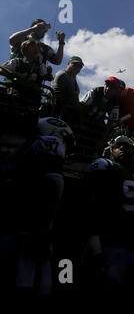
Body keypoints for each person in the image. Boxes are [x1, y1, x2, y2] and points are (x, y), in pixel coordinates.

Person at [0, 117, 74, 294]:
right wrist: (41, 229)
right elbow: (51, 184)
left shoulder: (22, 152)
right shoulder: (50, 145)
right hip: (31, 232)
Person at [81, 130, 134, 293]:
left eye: (125, 146)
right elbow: (91, 207)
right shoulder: (105, 165)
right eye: (117, 146)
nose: (121, 148)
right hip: (111, 245)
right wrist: (96, 248)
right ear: (110, 149)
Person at [1, 39, 53, 109]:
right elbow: (1, 70)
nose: (36, 49)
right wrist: (14, 74)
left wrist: (49, 73)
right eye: (33, 46)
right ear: (25, 50)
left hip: (33, 103)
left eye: (37, 48)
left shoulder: (41, 66)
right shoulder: (17, 62)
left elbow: (50, 78)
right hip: (16, 99)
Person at [80, 76, 122, 149]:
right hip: (83, 118)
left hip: (96, 123)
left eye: (112, 87)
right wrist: (81, 123)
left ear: (116, 91)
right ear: (104, 84)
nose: (108, 88)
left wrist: (102, 140)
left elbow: (111, 121)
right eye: (107, 85)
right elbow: (80, 107)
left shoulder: (115, 102)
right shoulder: (94, 92)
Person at [51, 56, 84, 123]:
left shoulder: (73, 78)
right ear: (68, 64)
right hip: (58, 113)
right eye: (75, 64)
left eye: (80, 66)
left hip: (68, 113)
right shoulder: (63, 74)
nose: (77, 67)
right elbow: (56, 95)